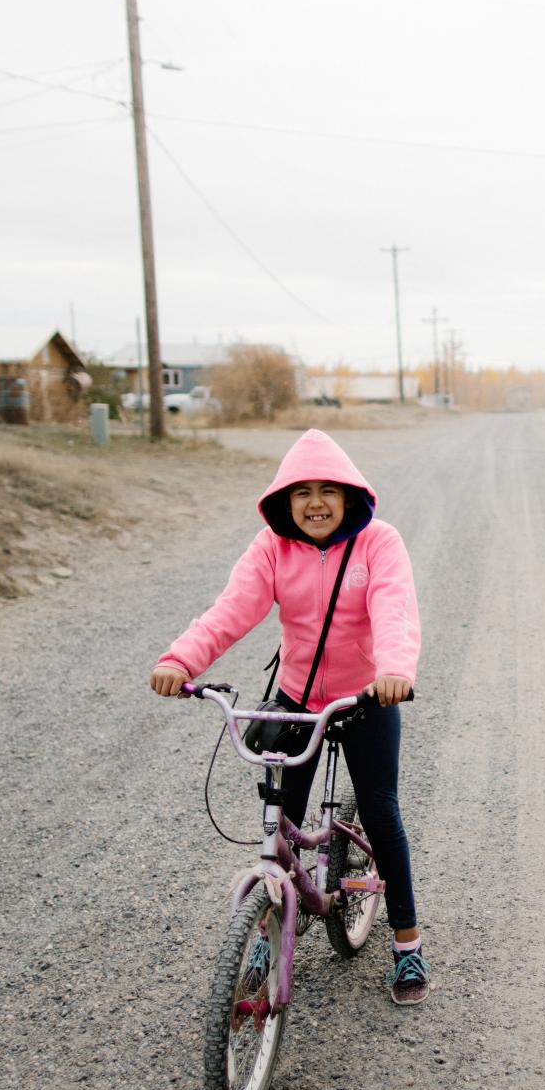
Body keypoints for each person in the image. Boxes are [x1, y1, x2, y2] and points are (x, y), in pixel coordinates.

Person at [149, 430, 428, 1005]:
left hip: (366, 699)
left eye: (329, 490)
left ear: (352, 496)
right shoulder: (272, 548)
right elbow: (231, 611)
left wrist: (394, 671)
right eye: (302, 493)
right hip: (299, 699)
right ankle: (276, 914)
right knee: (282, 822)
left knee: (380, 812)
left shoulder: (378, 543)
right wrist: (181, 659)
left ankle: (406, 944)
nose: (316, 502)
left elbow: (394, 610)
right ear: (284, 500)